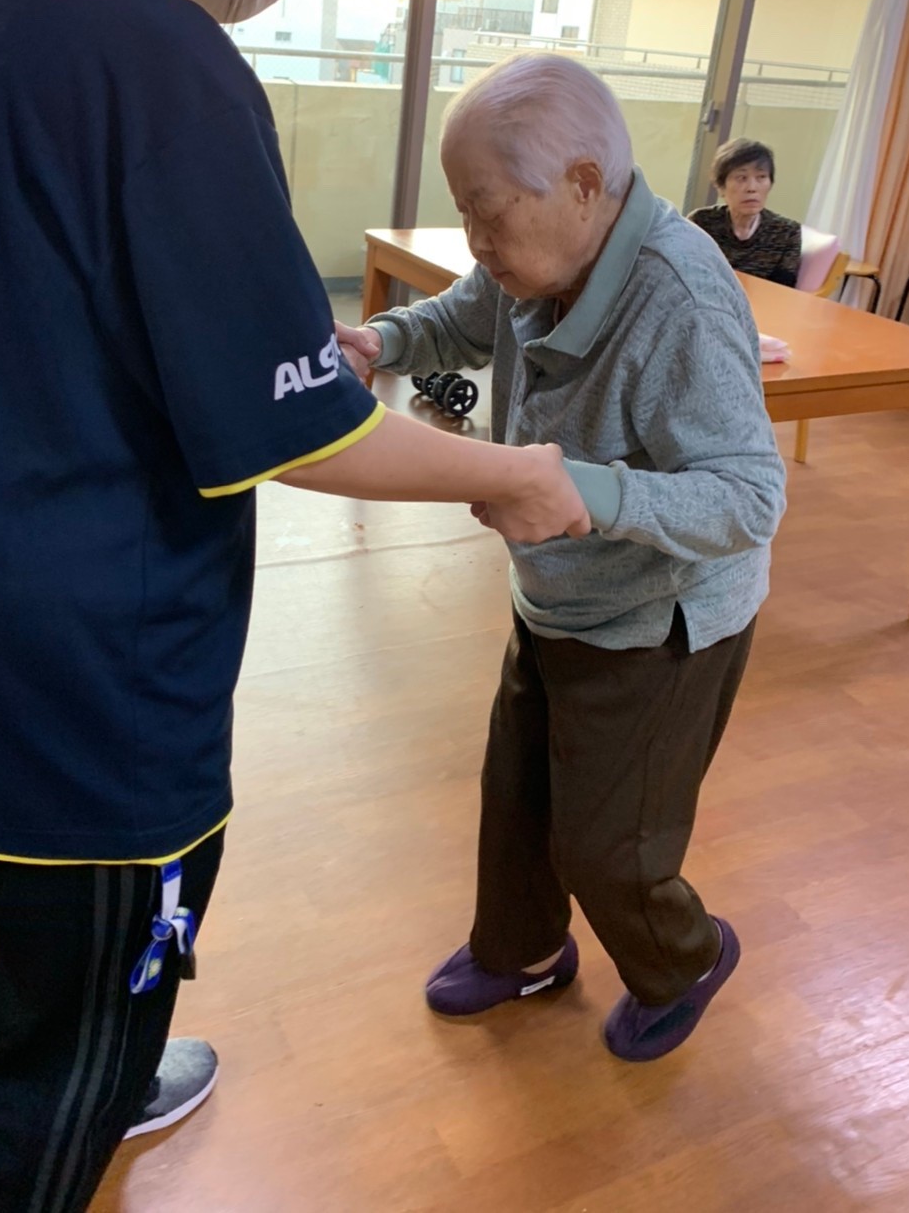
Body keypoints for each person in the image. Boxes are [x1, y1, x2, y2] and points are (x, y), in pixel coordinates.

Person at [0, 0, 592, 1208]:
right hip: (84, 671)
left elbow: (80, 312)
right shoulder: (164, 57)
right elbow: (301, 432)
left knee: (54, 954)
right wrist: (509, 472)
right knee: (56, 1048)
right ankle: (87, 1089)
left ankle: (115, 1065)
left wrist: (281, 349)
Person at [338, 55, 787, 1063]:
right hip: (557, 596)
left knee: (608, 843)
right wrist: (381, 342)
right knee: (515, 799)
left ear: (585, 184)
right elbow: (460, 315)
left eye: (488, 212)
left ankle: (684, 958)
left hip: (661, 622)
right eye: (463, 211)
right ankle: (526, 950)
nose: (476, 239)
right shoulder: (530, 262)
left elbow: (752, 497)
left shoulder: (680, 299)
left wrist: (584, 492)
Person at [688, 137, 802, 287]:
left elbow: (782, 290)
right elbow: (685, 274)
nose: (752, 188)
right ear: (721, 187)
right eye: (741, 178)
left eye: (761, 177)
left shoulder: (787, 232)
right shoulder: (701, 222)